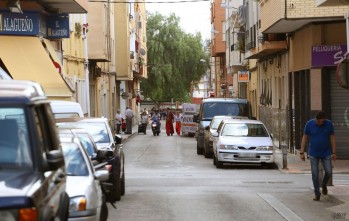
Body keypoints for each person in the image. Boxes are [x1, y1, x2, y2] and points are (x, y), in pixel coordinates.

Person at [300, 111, 336, 201]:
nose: (320, 123)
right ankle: (317, 193)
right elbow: (305, 137)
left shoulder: (329, 124)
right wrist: (301, 152)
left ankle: (324, 184)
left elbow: (332, 137)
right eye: (319, 121)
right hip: (313, 153)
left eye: (322, 122)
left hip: (326, 152)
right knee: (315, 174)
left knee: (328, 171)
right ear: (316, 119)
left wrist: (334, 152)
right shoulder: (309, 124)